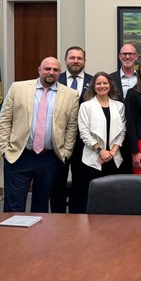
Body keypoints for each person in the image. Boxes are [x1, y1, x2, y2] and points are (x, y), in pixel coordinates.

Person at [0, 57, 79, 212]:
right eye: (47, 69)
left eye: (55, 70)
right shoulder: (18, 88)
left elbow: (71, 127)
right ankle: (11, 236)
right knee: (13, 204)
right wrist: (4, 149)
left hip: (49, 158)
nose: (51, 72)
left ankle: (36, 237)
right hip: (19, 155)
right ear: (39, 70)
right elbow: (5, 119)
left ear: (59, 73)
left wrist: (66, 152)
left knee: (41, 206)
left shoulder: (70, 95)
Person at [75, 72, 126, 212]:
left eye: (105, 83)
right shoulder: (86, 106)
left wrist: (112, 151)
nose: (102, 86)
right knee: (94, 198)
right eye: (98, 83)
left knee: (113, 197)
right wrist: (101, 151)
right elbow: (84, 133)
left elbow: (122, 131)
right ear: (93, 86)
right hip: (94, 159)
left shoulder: (119, 106)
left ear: (110, 85)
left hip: (113, 158)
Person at [52, 46, 93, 213]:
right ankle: (57, 217)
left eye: (79, 58)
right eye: (72, 57)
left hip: (85, 142)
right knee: (57, 181)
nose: (76, 61)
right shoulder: (55, 79)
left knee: (81, 182)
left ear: (84, 61)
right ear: (65, 60)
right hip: (59, 140)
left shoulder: (94, 81)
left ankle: (79, 217)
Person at [110, 43, 138, 174]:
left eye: (131, 54)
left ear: (136, 57)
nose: (127, 56)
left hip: (138, 133)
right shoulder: (110, 79)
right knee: (118, 171)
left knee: (137, 171)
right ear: (119, 57)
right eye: (124, 54)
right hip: (115, 132)